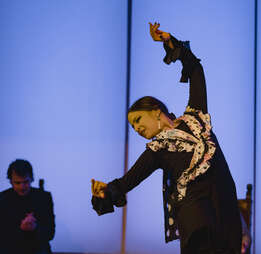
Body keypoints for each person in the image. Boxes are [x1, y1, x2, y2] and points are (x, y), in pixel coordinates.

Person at [91, 22, 242, 254]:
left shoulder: (196, 116)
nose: (137, 129)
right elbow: (129, 180)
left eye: (138, 121)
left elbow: (196, 72)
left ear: (154, 111)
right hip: (195, 218)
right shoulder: (156, 149)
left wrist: (170, 42)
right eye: (133, 127)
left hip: (224, 209)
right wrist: (105, 191)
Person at [0, 159, 55, 254]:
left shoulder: (44, 197)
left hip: (38, 248)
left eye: (25, 182)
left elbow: (50, 234)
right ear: (10, 182)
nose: (22, 187)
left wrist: (35, 228)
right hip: (11, 248)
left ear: (32, 179)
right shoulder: (2, 199)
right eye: (17, 183)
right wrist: (21, 229)